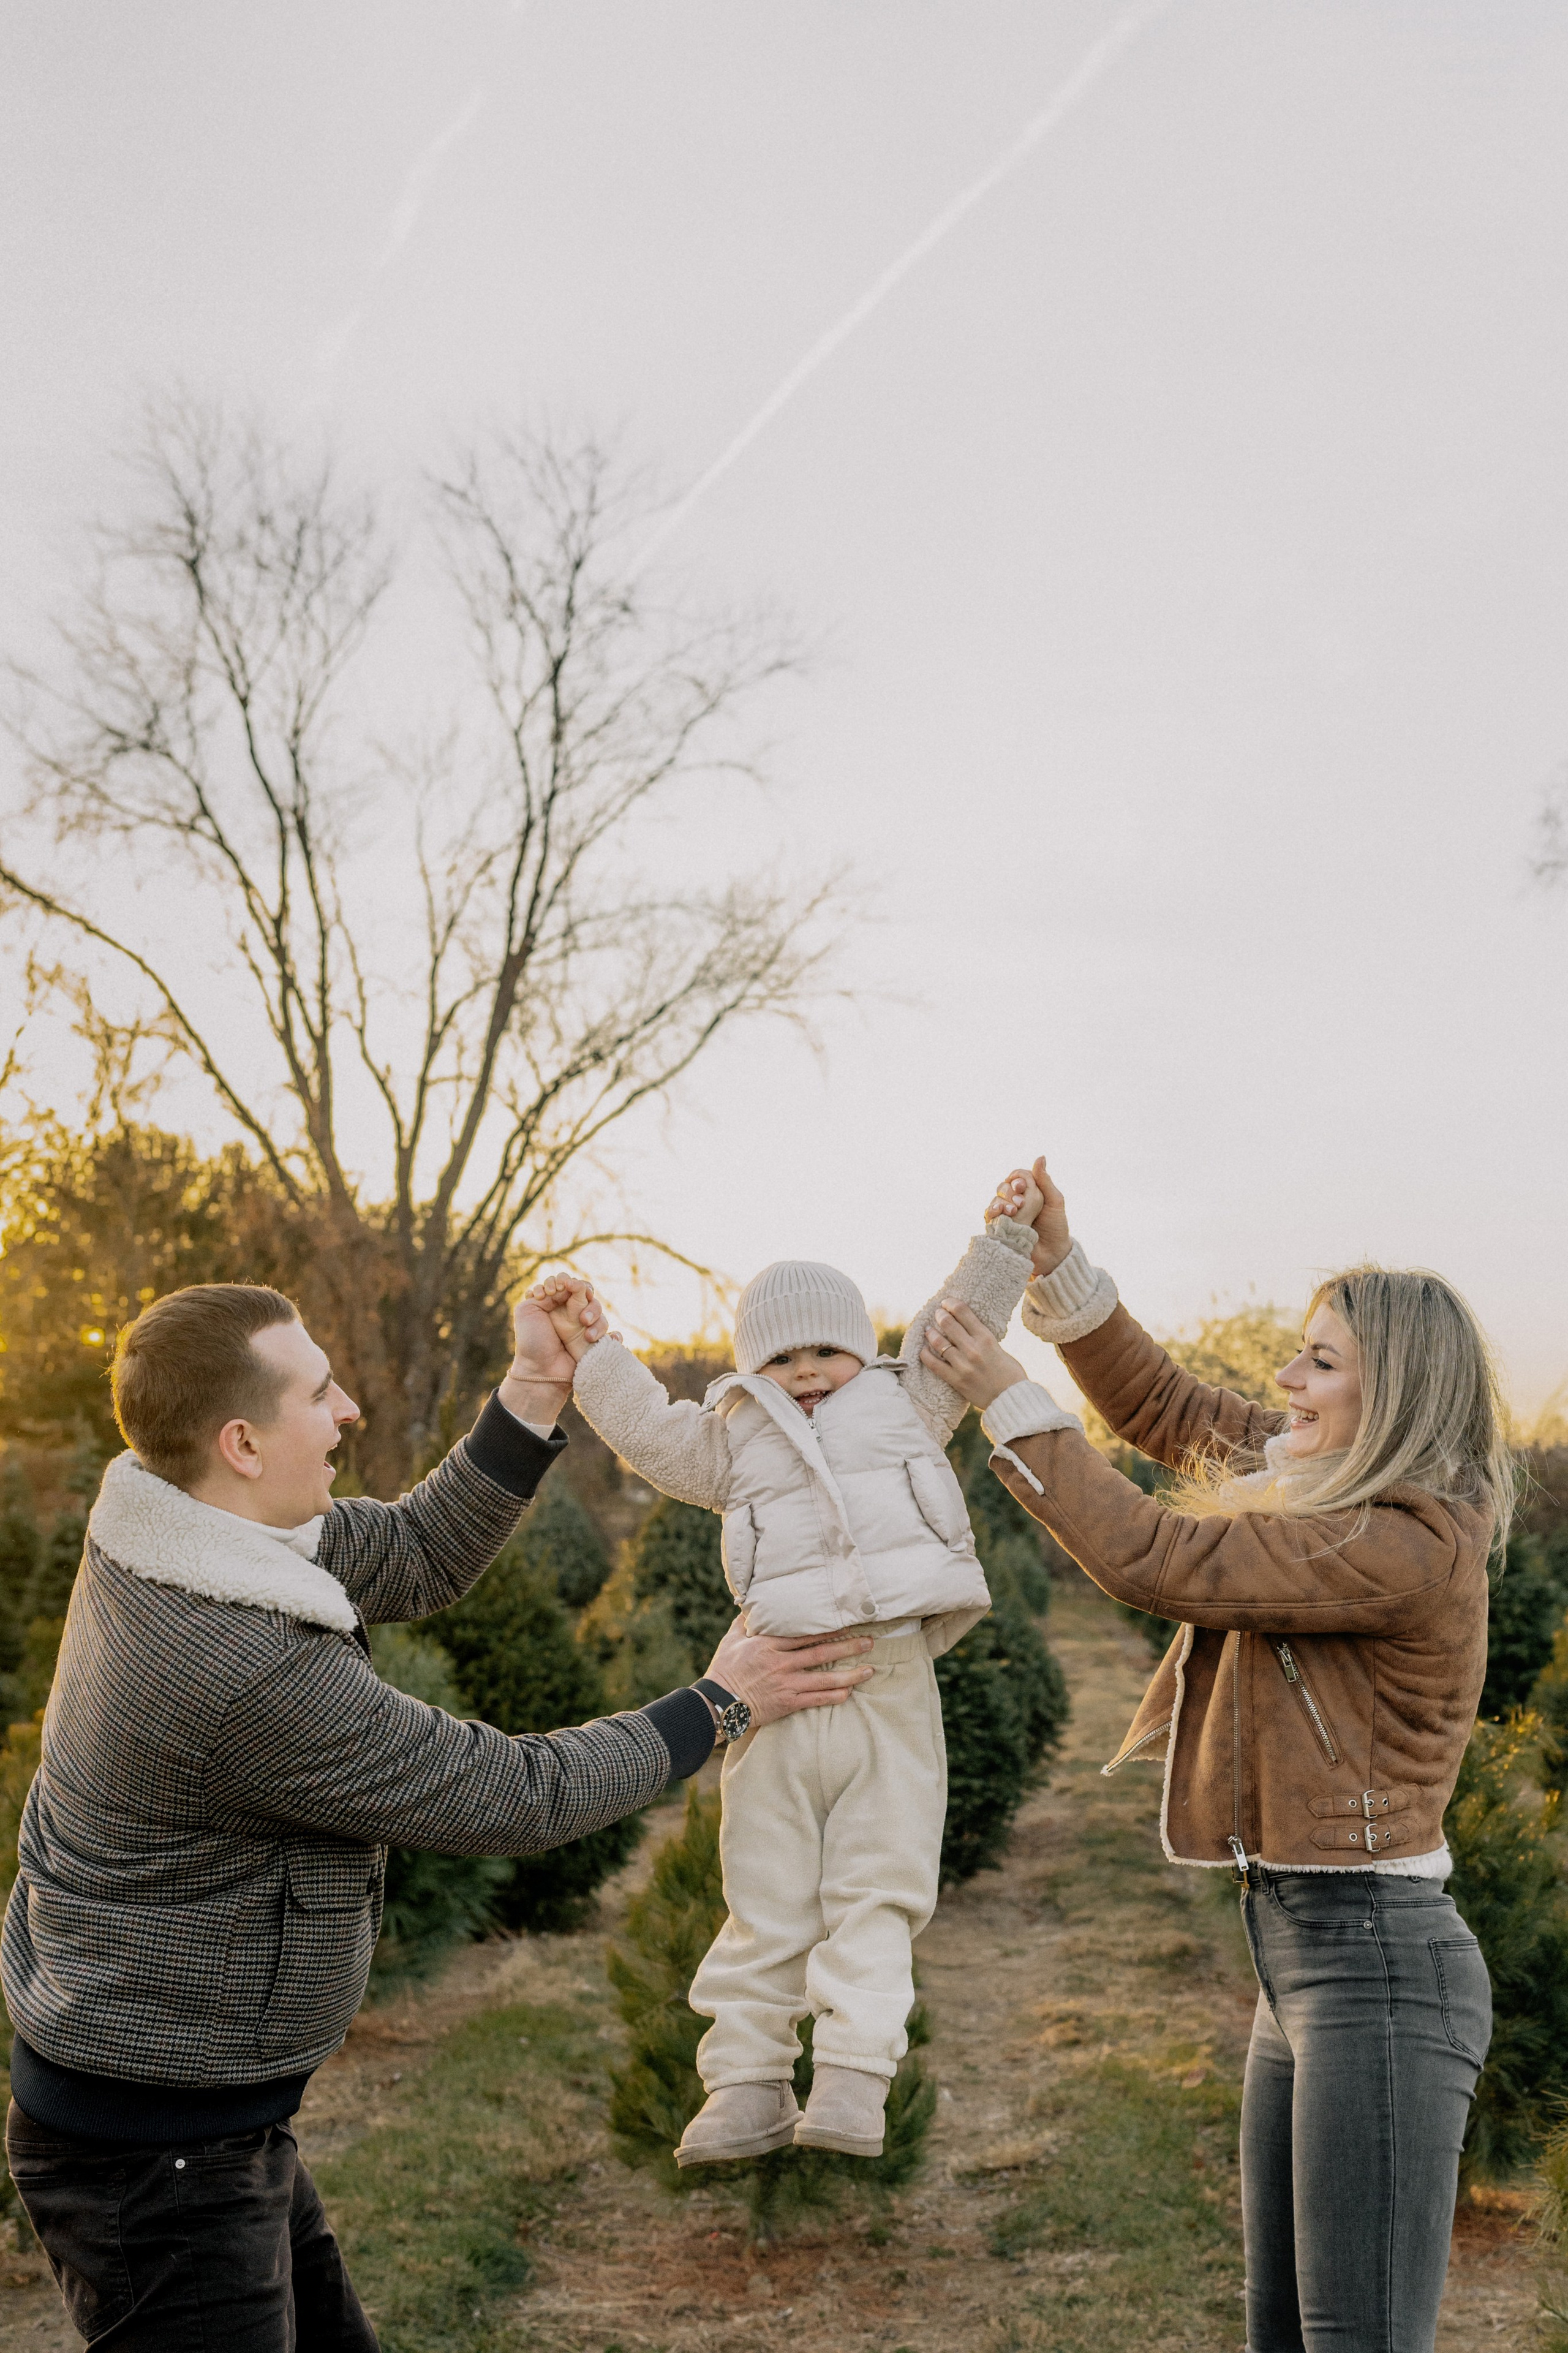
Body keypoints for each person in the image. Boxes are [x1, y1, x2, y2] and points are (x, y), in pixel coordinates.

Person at [2, 1280, 874, 2352]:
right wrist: (718, 1702)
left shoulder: (175, 1514)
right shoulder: (236, 1664)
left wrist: (535, 1388)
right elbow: (512, 1793)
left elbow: (412, 1552)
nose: (350, 1409)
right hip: (158, 2160)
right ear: (240, 1441)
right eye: (319, 1393)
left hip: (204, 2116)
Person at [921, 1157, 1504, 2353]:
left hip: (1377, 1973)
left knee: (1352, 2339)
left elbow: (1156, 1559)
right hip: (1295, 1970)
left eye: (1319, 1362)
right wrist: (1058, 1270)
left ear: (1390, 1394)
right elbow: (1173, 1416)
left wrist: (1002, 1392)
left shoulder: (1403, 1544)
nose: (1284, 1379)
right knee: (1281, 2335)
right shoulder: (1322, 1484)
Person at [529, 1170, 1043, 2166]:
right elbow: (643, 1429)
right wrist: (593, 1353)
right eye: (782, 1358)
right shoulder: (732, 1443)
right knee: (762, 1892)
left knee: (876, 1888)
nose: (806, 1372)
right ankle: (747, 2084)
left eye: (826, 1352)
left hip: (888, 1684)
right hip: (774, 1693)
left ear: (862, 1349)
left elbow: (959, 1317)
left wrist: (1005, 1239)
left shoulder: (910, 1402)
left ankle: (853, 2077)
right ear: (753, 1369)